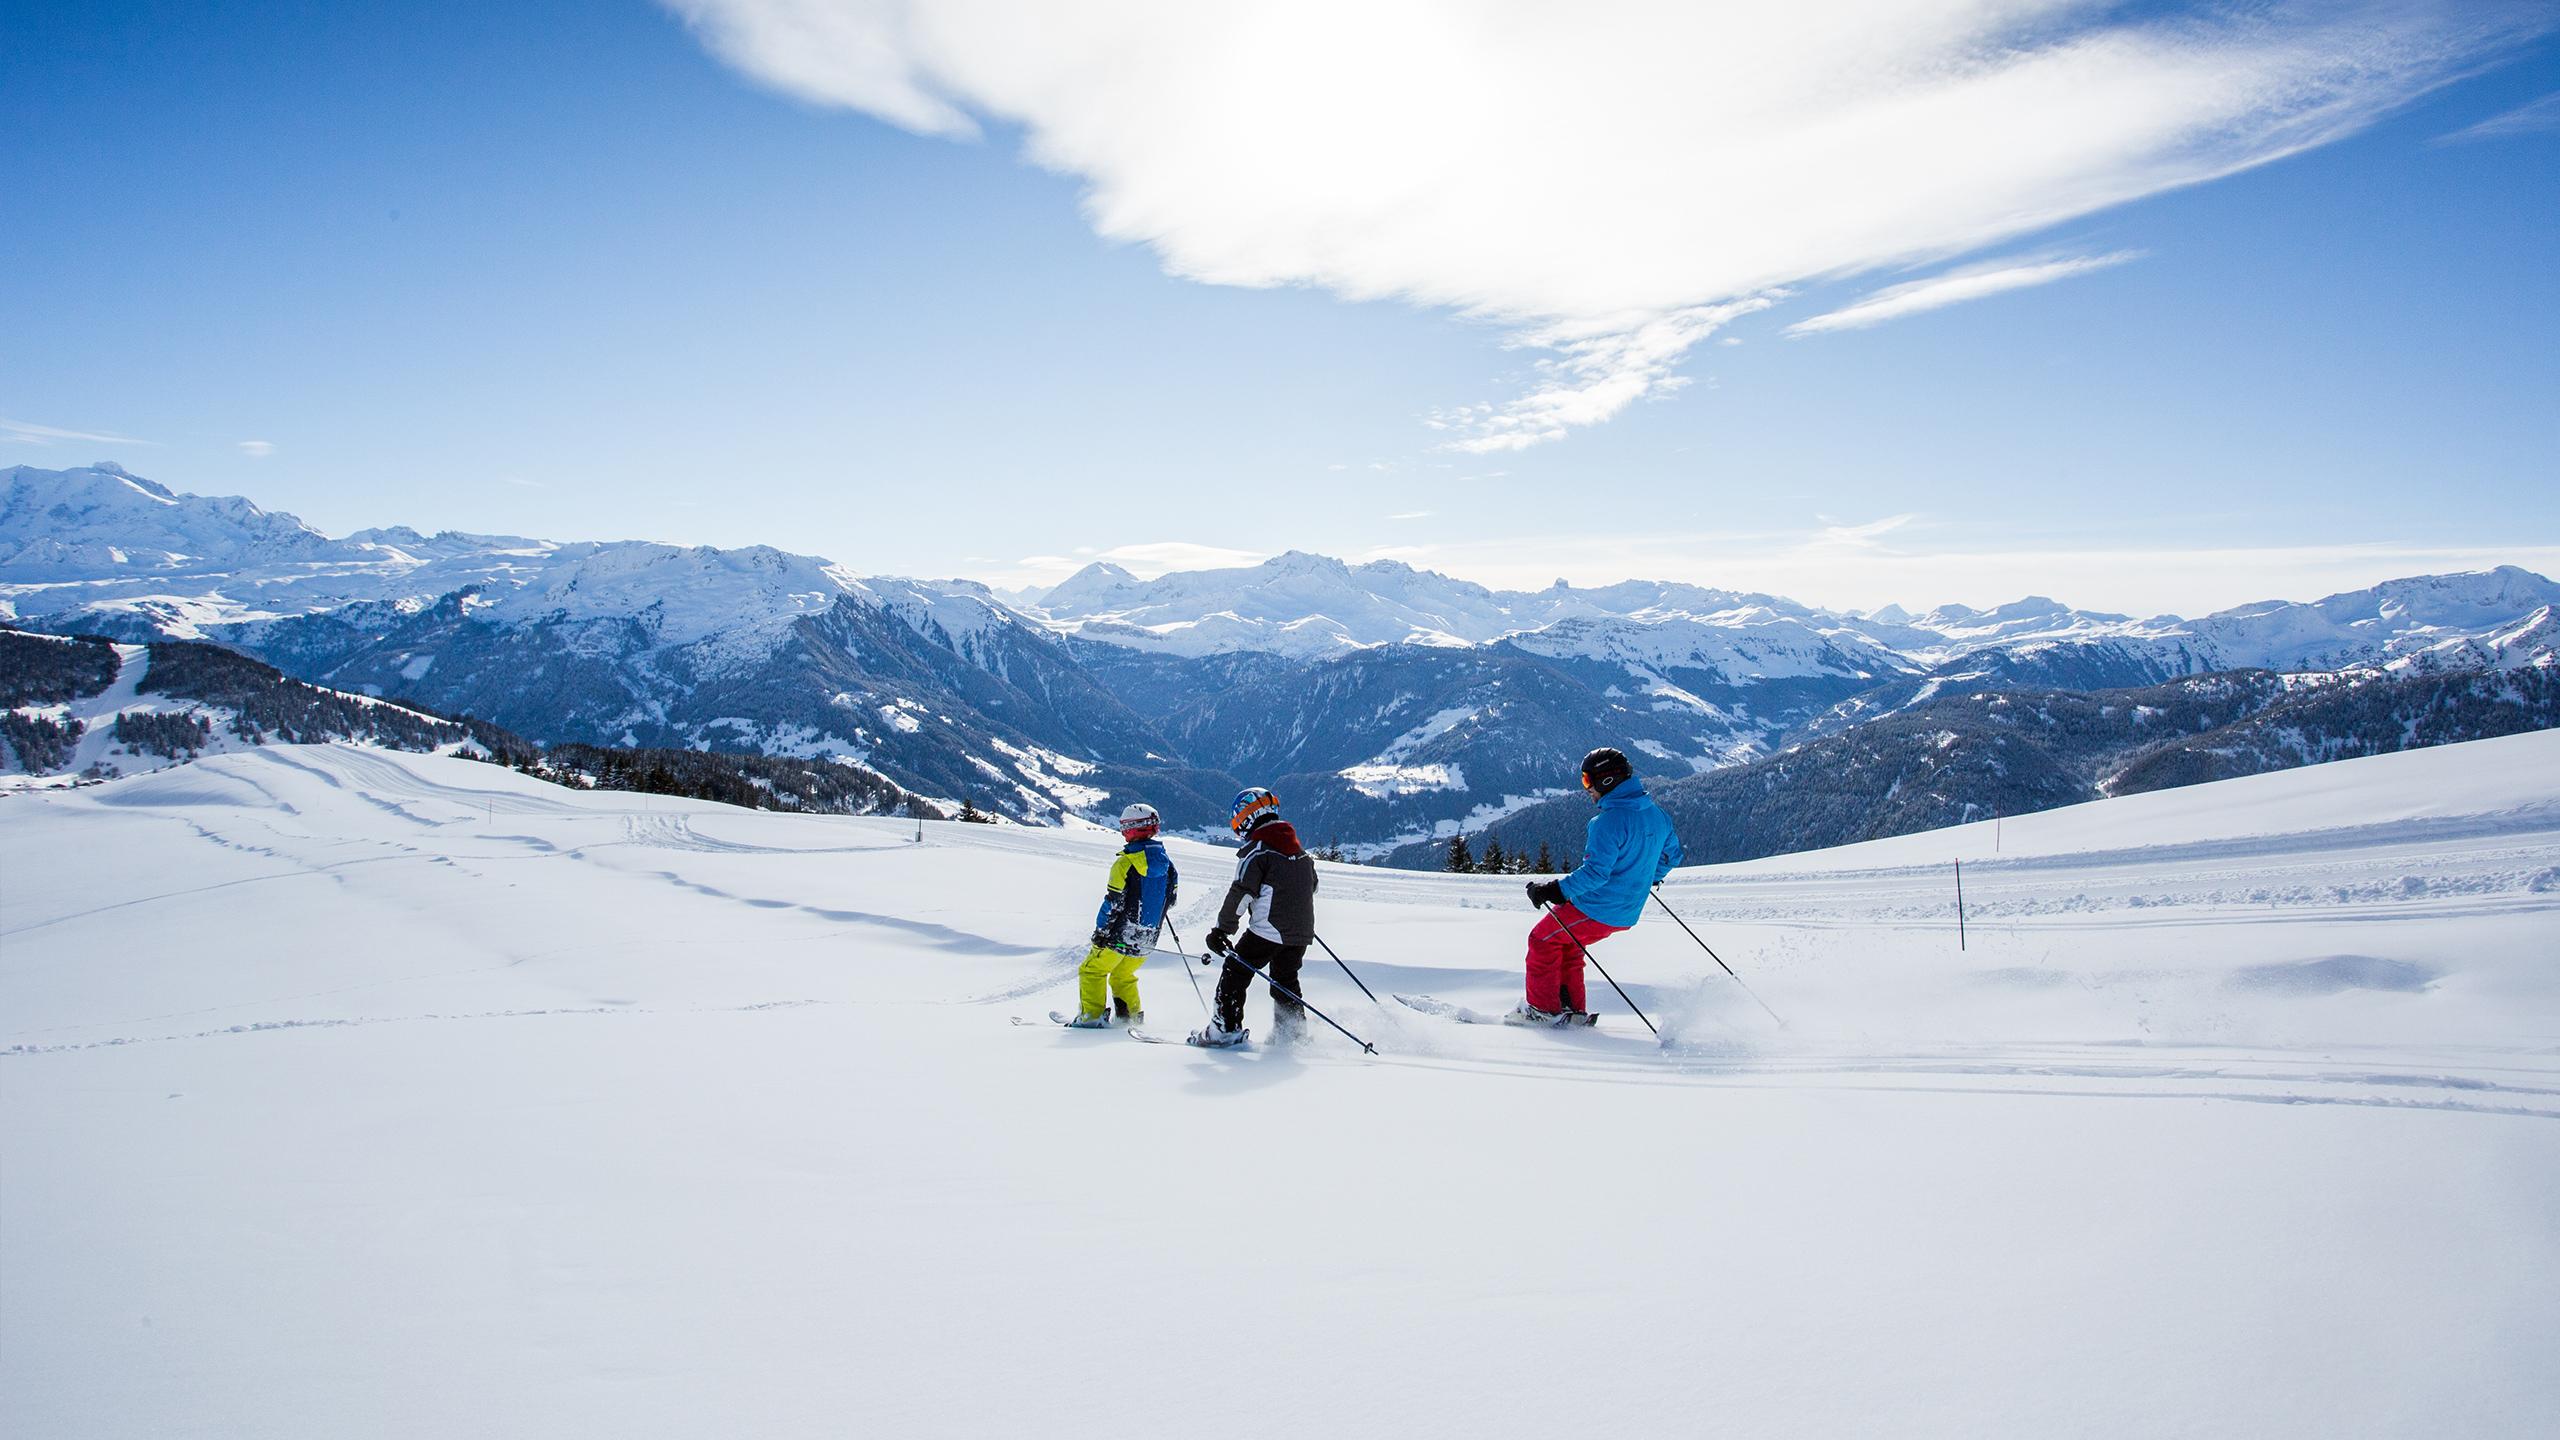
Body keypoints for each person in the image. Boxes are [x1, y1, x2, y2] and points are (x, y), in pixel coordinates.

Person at [1517, 747, 1683, 1024]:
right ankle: (1571, 1011)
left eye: (1587, 781)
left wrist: (1553, 891)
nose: (1587, 789)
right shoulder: (1657, 815)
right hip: (1627, 911)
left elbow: (1595, 874)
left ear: (1607, 780)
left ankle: (1542, 1011)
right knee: (1567, 945)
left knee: (1541, 940)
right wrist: (1647, 876)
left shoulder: (1607, 822)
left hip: (1598, 908)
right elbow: (1671, 855)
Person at [1190, 786, 1319, 1048]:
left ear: (1248, 816)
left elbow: (1241, 893)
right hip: (1300, 933)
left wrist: (1221, 931)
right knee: (1285, 979)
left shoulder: (1257, 851)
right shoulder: (1299, 850)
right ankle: (1292, 1035)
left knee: (1235, 971)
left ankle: (1224, 1030)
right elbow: (1311, 886)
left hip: (1268, 930)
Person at [1063, 802, 1177, 1027]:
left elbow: (1113, 902)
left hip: (1120, 935)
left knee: (1091, 970)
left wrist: (1101, 931)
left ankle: (1091, 1018)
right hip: (1148, 938)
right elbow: (1170, 899)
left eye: (1125, 827)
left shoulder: (1124, 863)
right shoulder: (1168, 864)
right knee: (1123, 976)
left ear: (1132, 829)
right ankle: (1130, 1020)